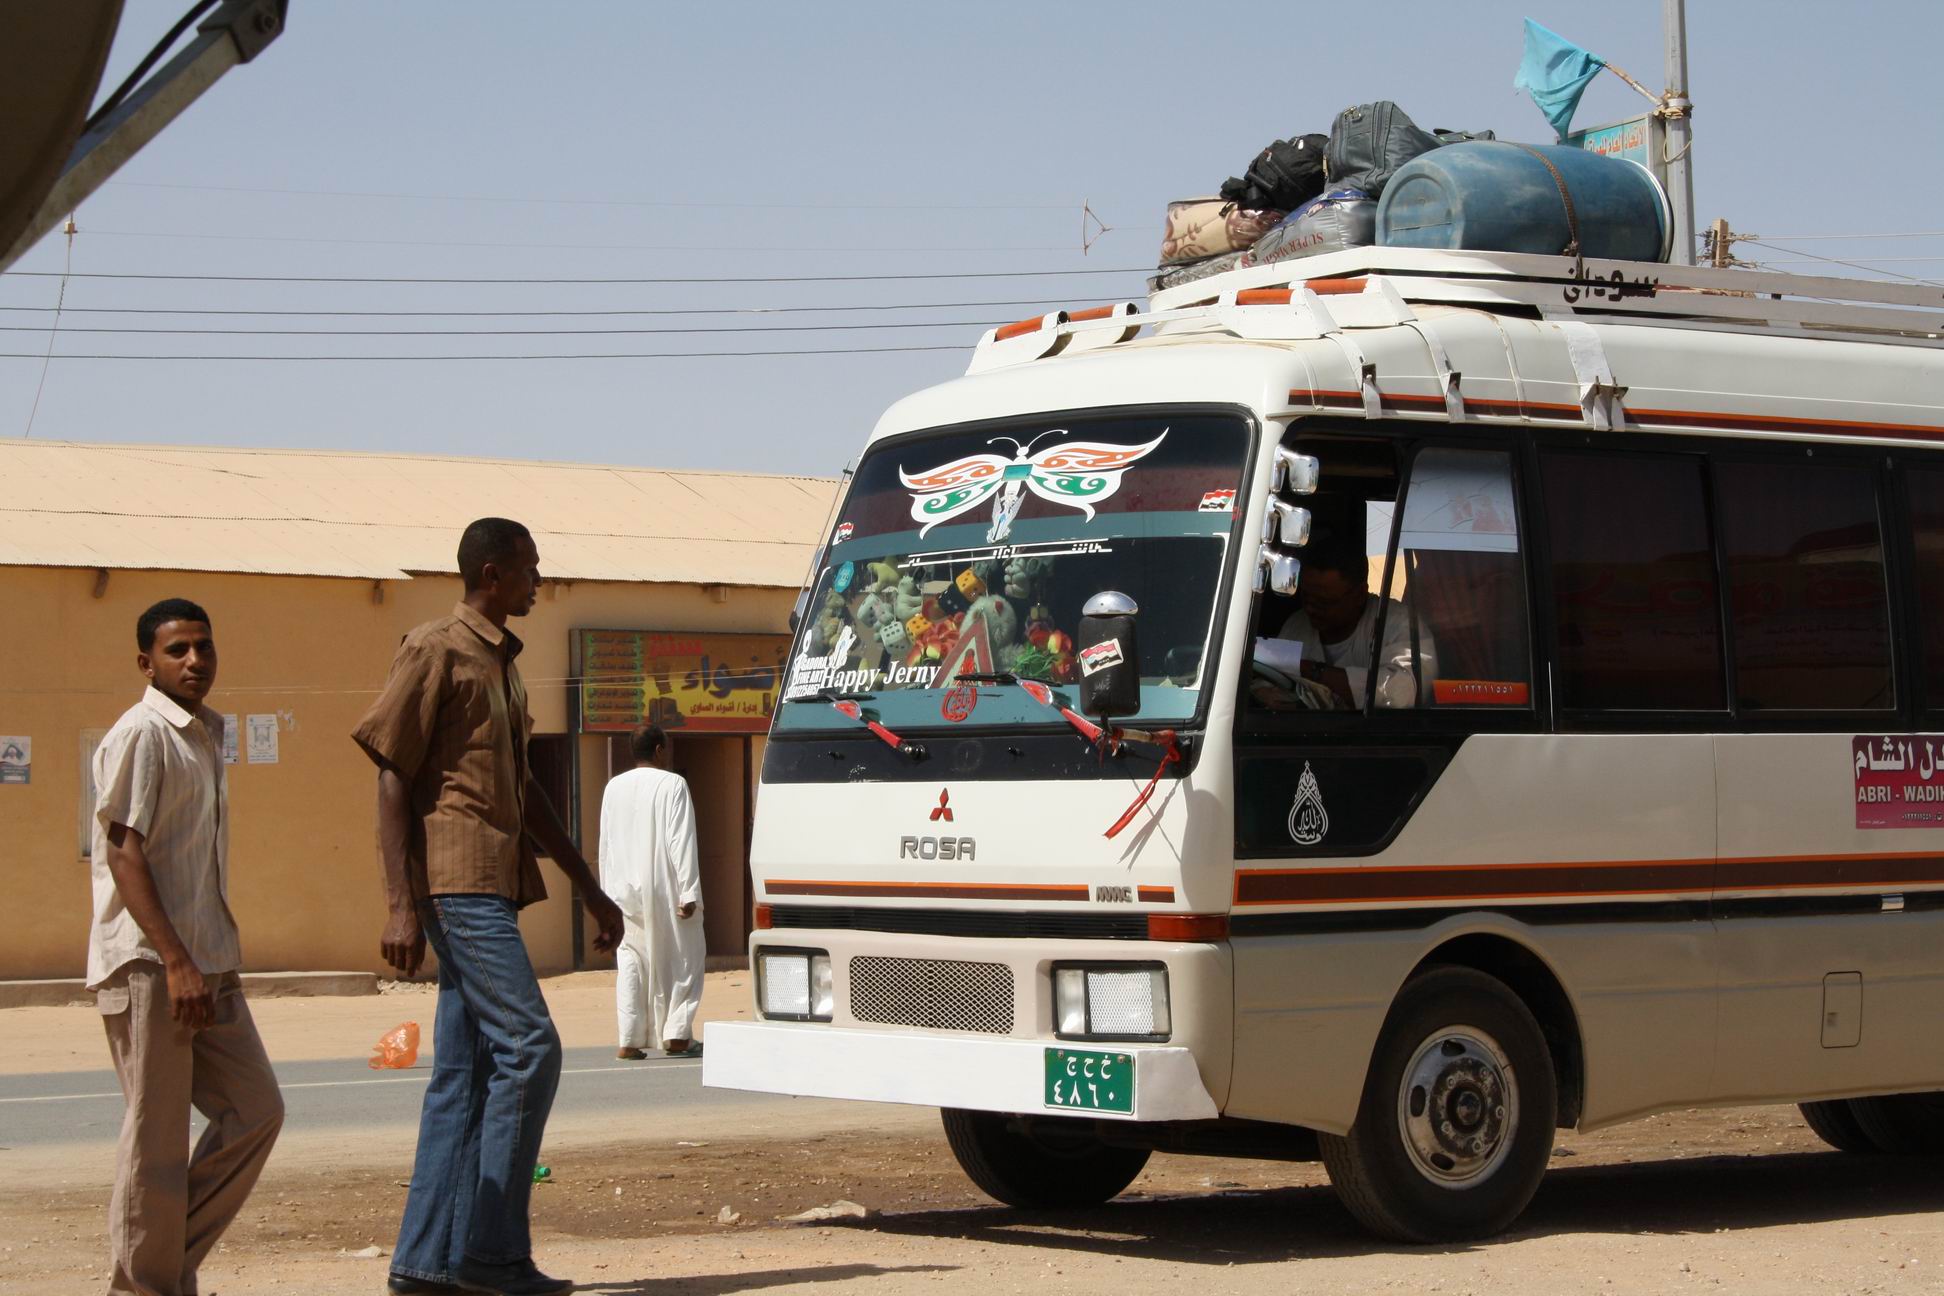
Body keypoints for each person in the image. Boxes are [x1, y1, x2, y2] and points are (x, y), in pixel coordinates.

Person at [352, 518, 624, 1296]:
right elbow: (392, 774)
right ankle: (493, 1255)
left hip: (493, 880)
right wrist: (400, 905)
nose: (541, 581)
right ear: (493, 573)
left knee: (465, 1073)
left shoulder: (502, 663)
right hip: (457, 882)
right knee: (530, 1049)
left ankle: (426, 1262)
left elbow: (527, 793)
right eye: (531, 568)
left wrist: (590, 886)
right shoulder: (435, 647)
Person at [89, 598, 284, 1296]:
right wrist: (174, 961)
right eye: (178, 650)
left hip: (209, 962)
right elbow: (124, 852)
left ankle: (162, 1270)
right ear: (147, 662)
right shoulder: (143, 733)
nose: (195, 660)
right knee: (157, 1139)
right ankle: (146, 1285)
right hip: (152, 965)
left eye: (204, 647)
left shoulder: (203, 733)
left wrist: (200, 961)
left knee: (257, 1111)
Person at [599, 724, 706, 1060]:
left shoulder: (613, 787)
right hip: (666, 886)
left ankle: (629, 1039)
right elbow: (680, 839)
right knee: (685, 958)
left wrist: (606, 896)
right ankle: (677, 1034)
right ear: (659, 750)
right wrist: (688, 891)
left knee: (631, 961)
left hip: (622, 890)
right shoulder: (673, 784)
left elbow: (606, 845)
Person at [1276, 541, 1437, 709]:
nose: (1310, 608)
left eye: (1323, 601)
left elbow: (1403, 691)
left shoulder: (1399, 623)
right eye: (1306, 597)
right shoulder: (1297, 625)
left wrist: (1313, 671)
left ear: (1360, 594)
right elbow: (1268, 678)